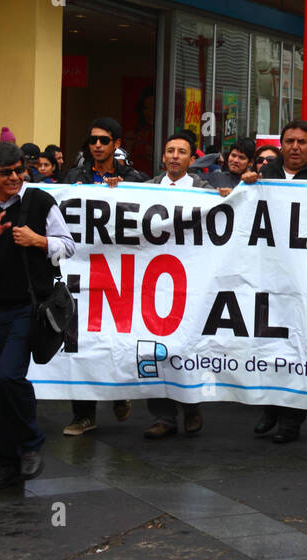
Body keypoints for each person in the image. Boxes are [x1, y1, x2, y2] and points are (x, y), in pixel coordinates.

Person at [0, 140, 75, 490]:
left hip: (28, 307)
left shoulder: (40, 202)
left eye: (20, 170)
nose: (16, 177)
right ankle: (7, 464)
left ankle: (31, 442)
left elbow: (67, 245)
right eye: (7, 173)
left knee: (8, 377)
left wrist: (38, 240)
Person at [240, 120, 307, 443]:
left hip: (306, 280)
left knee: (301, 346)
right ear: (282, 144)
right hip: (268, 276)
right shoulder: (263, 176)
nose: (295, 147)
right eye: (289, 141)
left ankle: (291, 421)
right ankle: (271, 408)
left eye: (302, 142)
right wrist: (243, 186)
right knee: (268, 343)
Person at [64, 117, 142, 435]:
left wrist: (124, 191)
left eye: (104, 140)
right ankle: (84, 414)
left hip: (121, 275)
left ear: (117, 145)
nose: (97, 145)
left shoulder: (135, 178)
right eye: (93, 140)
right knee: (81, 341)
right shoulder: (73, 177)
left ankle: (119, 394)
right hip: (83, 273)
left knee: (116, 340)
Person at [144, 132, 218, 437]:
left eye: (181, 152)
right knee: (151, 347)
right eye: (170, 150)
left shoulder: (204, 190)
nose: (175, 156)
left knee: (186, 343)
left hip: (190, 277)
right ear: (163, 157)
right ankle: (164, 417)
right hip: (151, 279)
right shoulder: (144, 189)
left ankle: (190, 406)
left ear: (191, 159)